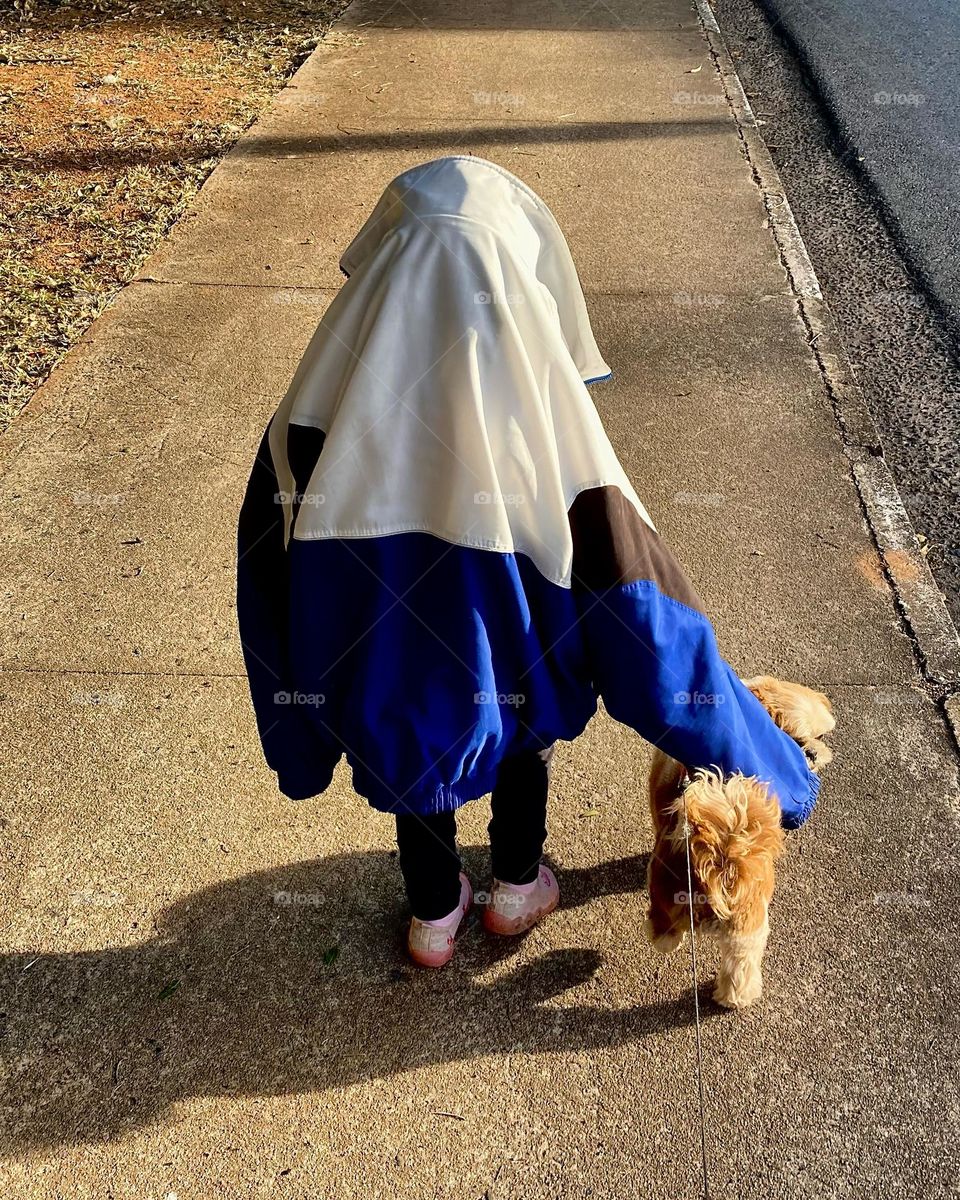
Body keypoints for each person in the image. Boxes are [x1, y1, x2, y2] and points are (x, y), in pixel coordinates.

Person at [237, 156, 818, 968]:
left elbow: (266, 575)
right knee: (519, 720)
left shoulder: (316, 402)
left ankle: (433, 917)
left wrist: (298, 744)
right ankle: (516, 886)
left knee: (415, 734)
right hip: (515, 672)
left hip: (383, 682)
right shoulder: (554, 425)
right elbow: (645, 614)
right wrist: (774, 770)